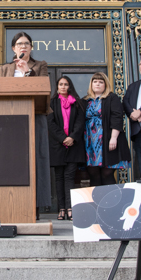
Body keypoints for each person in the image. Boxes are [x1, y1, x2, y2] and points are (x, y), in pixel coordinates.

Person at [0, 31, 51, 212]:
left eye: (27, 44)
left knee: (35, 160)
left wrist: (26, 72)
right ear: (13, 48)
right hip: (10, 120)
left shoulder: (40, 65)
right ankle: (12, 205)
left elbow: (44, 88)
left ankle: (34, 206)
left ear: (31, 48)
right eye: (20, 44)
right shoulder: (5, 69)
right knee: (12, 159)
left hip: (35, 116)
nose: (23, 46)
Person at [47, 76, 86, 220]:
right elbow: (50, 123)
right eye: (61, 84)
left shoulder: (78, 103)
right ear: (57, 87)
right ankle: (61, 208)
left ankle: (70, 208)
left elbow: (80, 122)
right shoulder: (51, 103)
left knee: (69, 177)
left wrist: (72, 137)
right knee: (59, 178)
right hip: (58, 145)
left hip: (73, 145)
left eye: (66, 84)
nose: (63, 87)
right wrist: (63, 138)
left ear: (70, 86)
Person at [84, 72, 131, 186]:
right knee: (93, 173)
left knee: (107, 173)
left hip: (107, 140)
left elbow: (117, 118)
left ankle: (111, 202)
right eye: (95, 82)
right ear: (91, 84)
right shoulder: (85, 100)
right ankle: (95, 203)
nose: (98, 84)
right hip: (90, 141)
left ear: (105, 84)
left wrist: (113, 138)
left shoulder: (112, 98)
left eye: (101, 82)